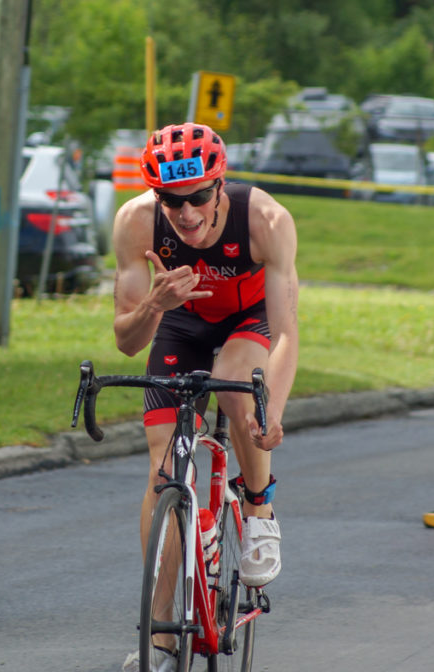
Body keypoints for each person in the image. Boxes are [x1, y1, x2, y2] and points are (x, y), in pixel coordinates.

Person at [113, 123, 299, 672]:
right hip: (179, 322)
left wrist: (275, 411)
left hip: (249, 321)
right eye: (172, 200)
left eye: (198, 196)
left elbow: (287, 332)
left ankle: (259, 507)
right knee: (162, 474)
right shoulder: (135, 222)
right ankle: (163, 635)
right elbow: (127, 342)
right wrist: (154, 304)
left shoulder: (265, 220)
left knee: (236, 384)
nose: (187, 212)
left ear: (220, 186)